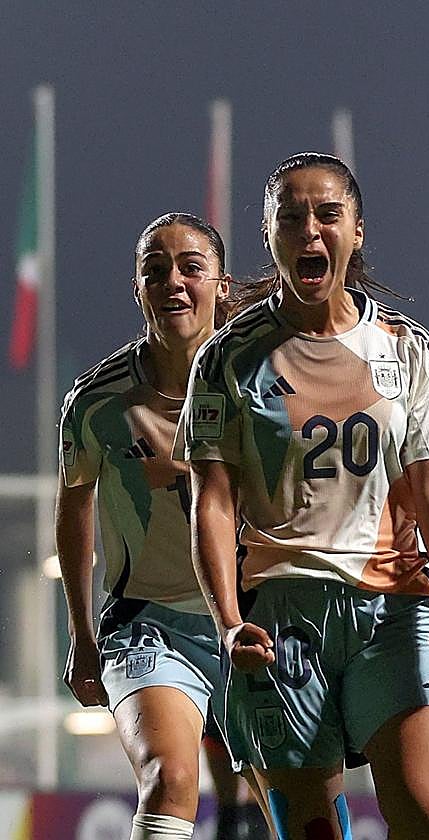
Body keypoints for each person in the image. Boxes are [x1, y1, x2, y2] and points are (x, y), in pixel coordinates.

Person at [182, 152, 429, 840]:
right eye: (291, 219)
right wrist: (228, 620)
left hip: (394, 607)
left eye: (327, 215)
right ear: (269, 237)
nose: (310, 231)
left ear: (356, 232)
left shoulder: (406, 347)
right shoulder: (228, 358)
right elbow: (212, 500)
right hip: (281, 618)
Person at [57, 212, 271, 840]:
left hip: (254, 616)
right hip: (149, 623)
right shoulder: (96, 403)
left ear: (221, 285)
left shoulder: (264, 385)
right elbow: (73, 509)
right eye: (155, 270)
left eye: (190, 267)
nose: (173, 281)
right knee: (171, 776)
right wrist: (79, 630)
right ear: (137, 289)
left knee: (288, 799)